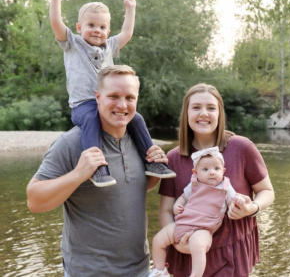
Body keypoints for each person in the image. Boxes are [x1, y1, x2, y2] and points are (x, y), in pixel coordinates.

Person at [26, 65, 166, 277]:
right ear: (97, 97)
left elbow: (132, 190)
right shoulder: (71, 143)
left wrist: (154, 173)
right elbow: (34, 202)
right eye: (114, 96)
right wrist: (77, 175)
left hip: (140, 269)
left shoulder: (140, 141)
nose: (122, 105)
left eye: (129, 97)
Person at [46, 0, 176, 187]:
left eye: (102, 26)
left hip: (110, 102)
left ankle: (152, 162)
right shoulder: (73, 44)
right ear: (79, 27)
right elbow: (55, 23)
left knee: (137, 119)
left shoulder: (110, 46)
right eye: (91, 25)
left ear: (108, 30)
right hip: (84, 105)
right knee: (91, 119)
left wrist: (130, 8)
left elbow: (127, 33)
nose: (97, 30)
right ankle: (98, 168)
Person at [159, 83, 275, 277]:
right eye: (196, 107)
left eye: (211, 108)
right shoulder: (173, 158)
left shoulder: (242, 148)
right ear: (186, 113)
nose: (204, 113)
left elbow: (267, 191)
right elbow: (166, 210)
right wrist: (178, 241)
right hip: (188, 254)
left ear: (219, 113)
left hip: (232, 252)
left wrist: (251, 208)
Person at [150, 147, 245, 277]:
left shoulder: (225, 187)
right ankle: (160, 270)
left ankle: (195, 275)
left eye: (216, 169)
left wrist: (238, 201)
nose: (212, 172)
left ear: (223, 171)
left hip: (203, 228)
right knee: (158, 240)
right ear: (195, 172)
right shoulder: (194, 184)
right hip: (183, 222)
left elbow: (232, 202)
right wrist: (177, 205)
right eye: (205, 169)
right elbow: (183, 197)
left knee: (198, 246)